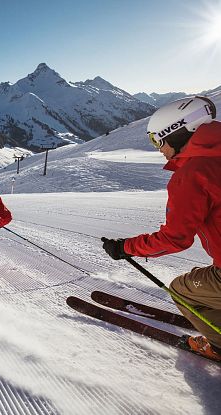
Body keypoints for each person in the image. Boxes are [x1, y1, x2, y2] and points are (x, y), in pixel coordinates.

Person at [101, 96, 221, 361]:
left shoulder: (192, 173)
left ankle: (218, 344)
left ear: (177, 133)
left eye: (158, 140)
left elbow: (174, 239)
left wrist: (124, 248)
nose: (158, 148)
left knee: (181, 289)